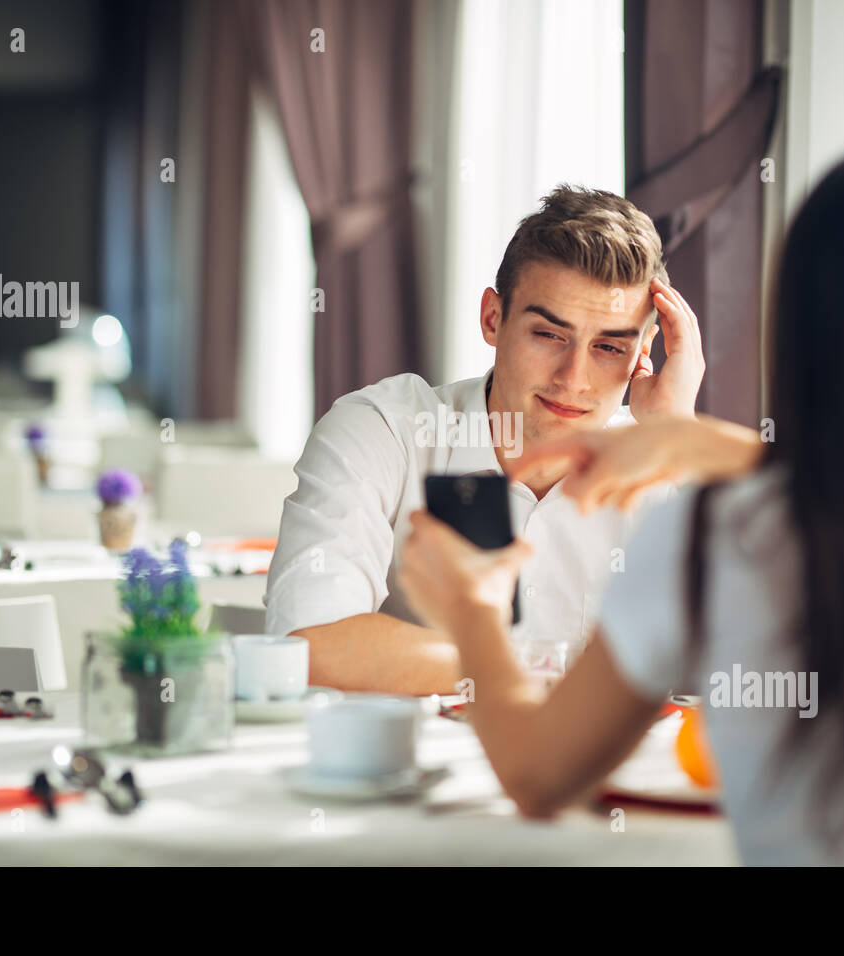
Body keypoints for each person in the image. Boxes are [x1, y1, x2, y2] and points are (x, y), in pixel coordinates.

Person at [399, 144, 844, 864]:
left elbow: (536, 774)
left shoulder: (718, 533)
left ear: (804, 324)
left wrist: (471, 609)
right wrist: (692, 438)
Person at [266, 185, 706, 695]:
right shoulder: (382, 431)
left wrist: (679, 436)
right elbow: (309, 645)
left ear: (642, 354)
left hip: (607, 776)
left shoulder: (663, 466)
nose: (574, 378)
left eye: (608, 347)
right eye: (549, 335)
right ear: (492, 319)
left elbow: (758, 654)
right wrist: (539, 668)